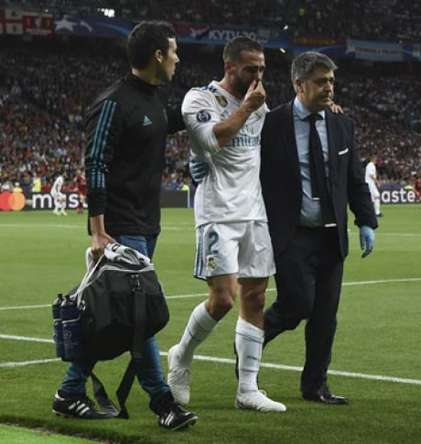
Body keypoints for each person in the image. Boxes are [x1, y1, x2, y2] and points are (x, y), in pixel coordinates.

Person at [53, 21, 197, 430]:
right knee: (140, 315)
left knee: (112, 315)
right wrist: (98, 230)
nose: (177, 58)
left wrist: (227, 95)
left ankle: (69, 391)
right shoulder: (114, 102)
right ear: (156, 56)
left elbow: (175, 121)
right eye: (173, 52)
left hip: (146, 224)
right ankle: (163, 403)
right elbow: (95, 163)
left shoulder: (153, 101)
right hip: (118, 227)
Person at [166, 37, 285, 413]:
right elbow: (210, 142)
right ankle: (181, 357)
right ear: (230, 66)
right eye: (252, 68)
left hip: (254, 212)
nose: (259, 76)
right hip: (218, 213)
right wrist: (247, 109)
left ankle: (247, 389)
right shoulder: (199, 99)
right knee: (222, 299)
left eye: (263, 69)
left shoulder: (261, 104)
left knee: (256, 298)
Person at [260, 51, 377, 405]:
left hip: (331, 235)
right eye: (321, 81)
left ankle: (315, 386)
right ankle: (249, 344)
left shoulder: (342, 123)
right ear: (299, 84)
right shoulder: (273, 123)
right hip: (291, 233)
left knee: (326, 316)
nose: (330, 88)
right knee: (297, 305)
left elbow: (354, 178)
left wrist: (366, 220)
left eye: (331, 81)